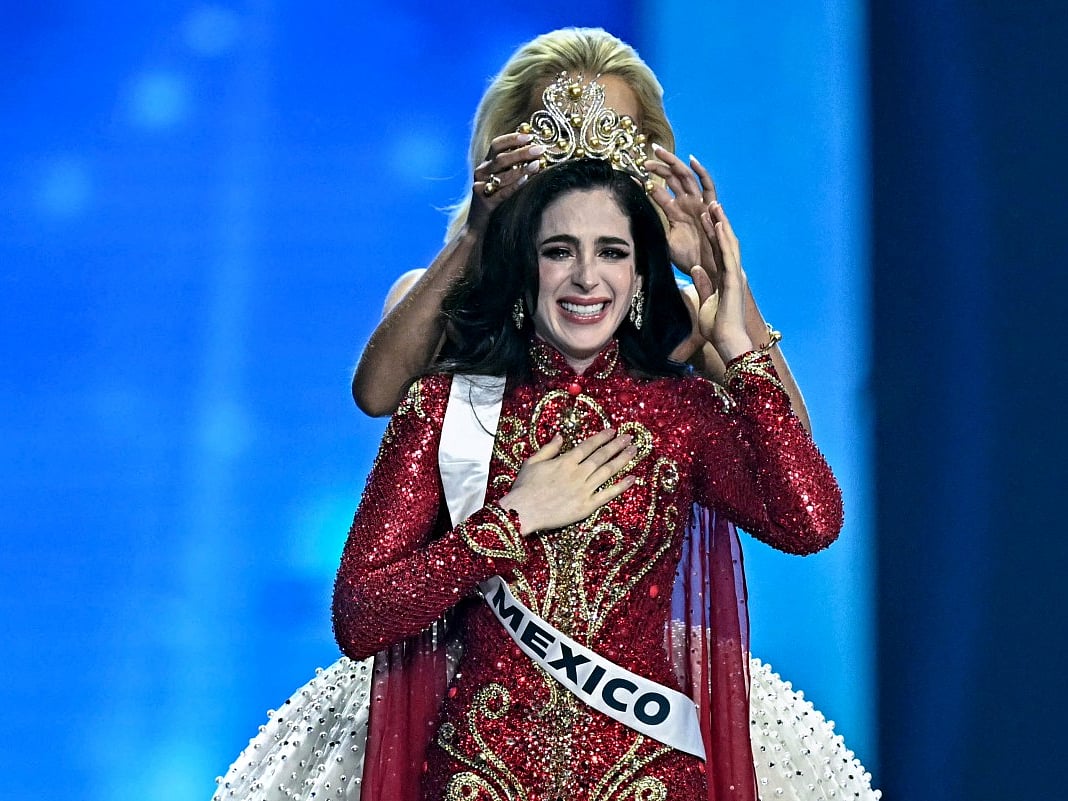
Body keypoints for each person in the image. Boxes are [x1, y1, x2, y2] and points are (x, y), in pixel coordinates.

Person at [329, 147, 841, 800]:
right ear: (524, 268)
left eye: (612, 252)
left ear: (638, 278)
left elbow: (813, 520)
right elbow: (360, 614)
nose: (585, 277)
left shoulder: (683, 413)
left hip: (647, 777)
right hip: (480, 780)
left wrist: (737, 338)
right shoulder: (446, 405)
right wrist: (512, 518)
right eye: (559, 250)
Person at [351, 27, 812, 433]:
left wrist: (714, 269)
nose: (583, 174)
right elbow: (377, 396)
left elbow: (793, 456)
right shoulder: (448, 299)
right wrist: (476, 235)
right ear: (509, 151)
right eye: (561, 140)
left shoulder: (679, 313)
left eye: (606, 142)